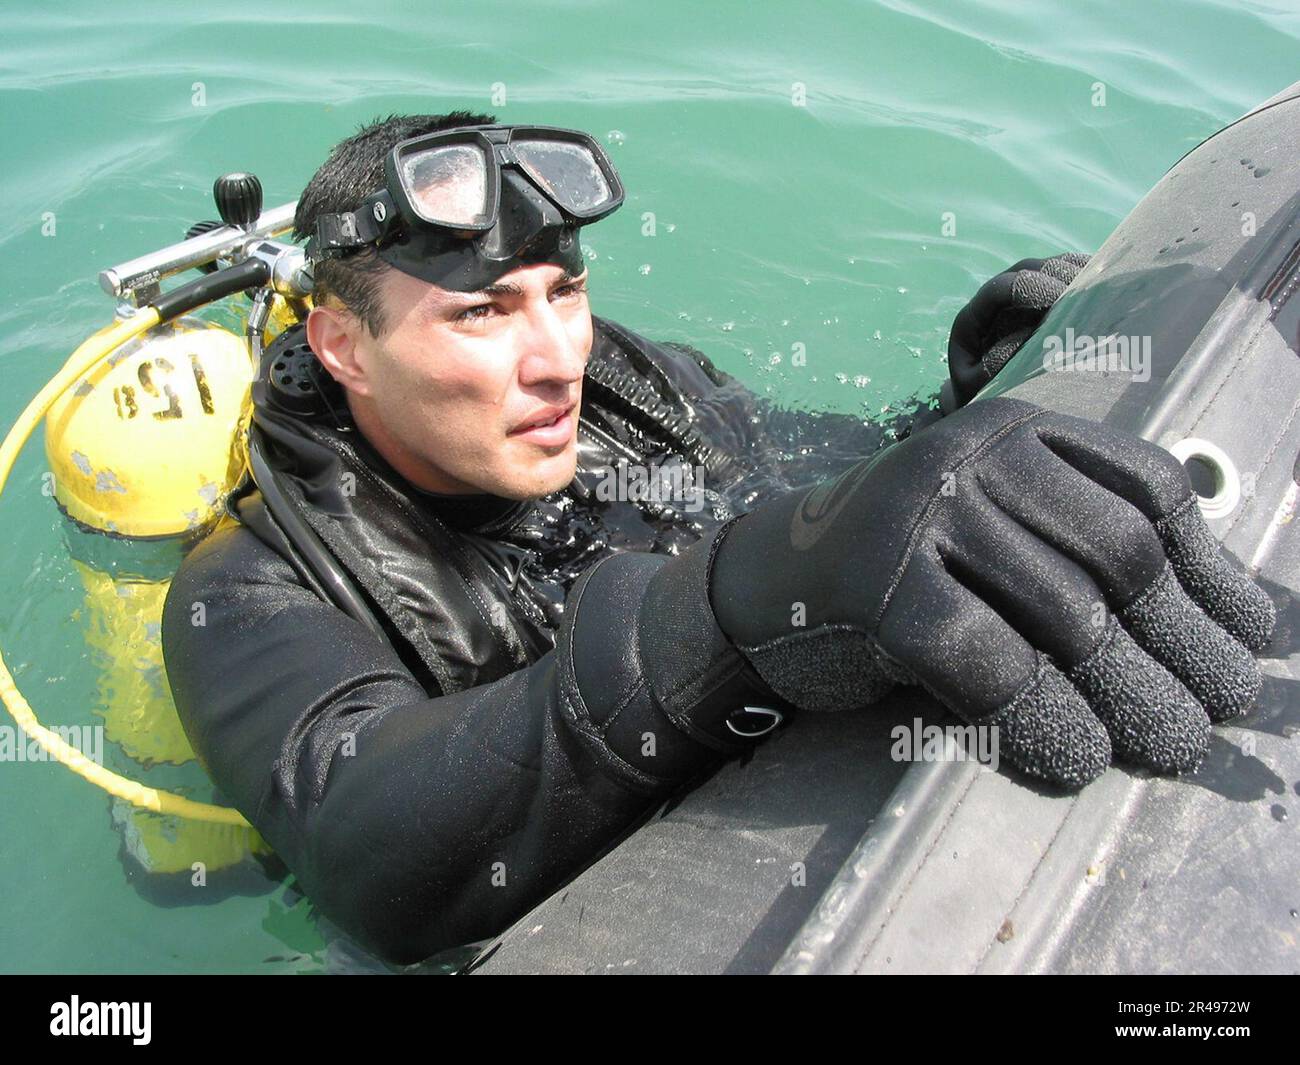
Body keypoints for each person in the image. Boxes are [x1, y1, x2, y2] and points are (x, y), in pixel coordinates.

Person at [160, 111, 1276, 968]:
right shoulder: (246, 593)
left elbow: (814, 499)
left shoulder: (633, 389)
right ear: (344, 347)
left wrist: (955, 410)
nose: (556, 357)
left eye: (564, 291)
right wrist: (723, 620)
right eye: (481, 313)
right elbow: (371, 859)